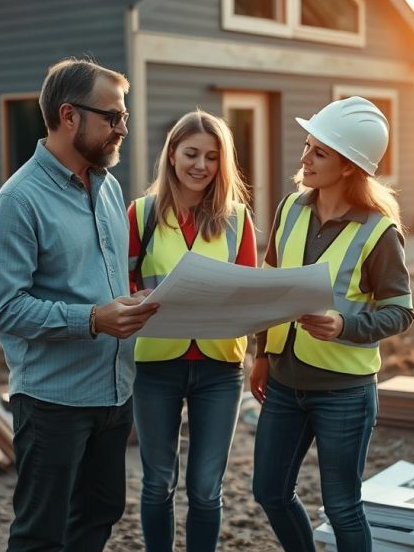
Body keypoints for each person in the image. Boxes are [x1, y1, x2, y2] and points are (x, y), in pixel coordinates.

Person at [0, 57, 159, 552]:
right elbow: (6, 308)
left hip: (114, 392)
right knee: (41, 532)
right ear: (69, 116)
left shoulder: (108, 188)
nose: (122, 128)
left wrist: (132, 301)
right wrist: (93, 319)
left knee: (100, 513)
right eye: (112, 117)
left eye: (123, 117)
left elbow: (101, 282)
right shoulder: (17, 201)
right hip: (53, 402)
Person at [249, 96, 414, 552]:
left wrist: (344, 325)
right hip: (284, 381)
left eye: (319, 152)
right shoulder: (290, 209)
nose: (304, 158)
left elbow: (400, 311)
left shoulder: (379, 232)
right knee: (269, 491)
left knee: (342, 507)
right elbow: (272, 286)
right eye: (307, 145)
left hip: (344, 391)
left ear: (348, 167)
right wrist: (263, 354)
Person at [127, 110, 257, 552]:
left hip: (220, 368)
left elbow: (248, 290)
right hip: (155, 366)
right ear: (172, 155)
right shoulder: (141, 214)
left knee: (205, 488)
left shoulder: (238, 218)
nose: (201, 165)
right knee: (158, 481)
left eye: (212, 156)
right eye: (191, 153)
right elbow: (122, 284)